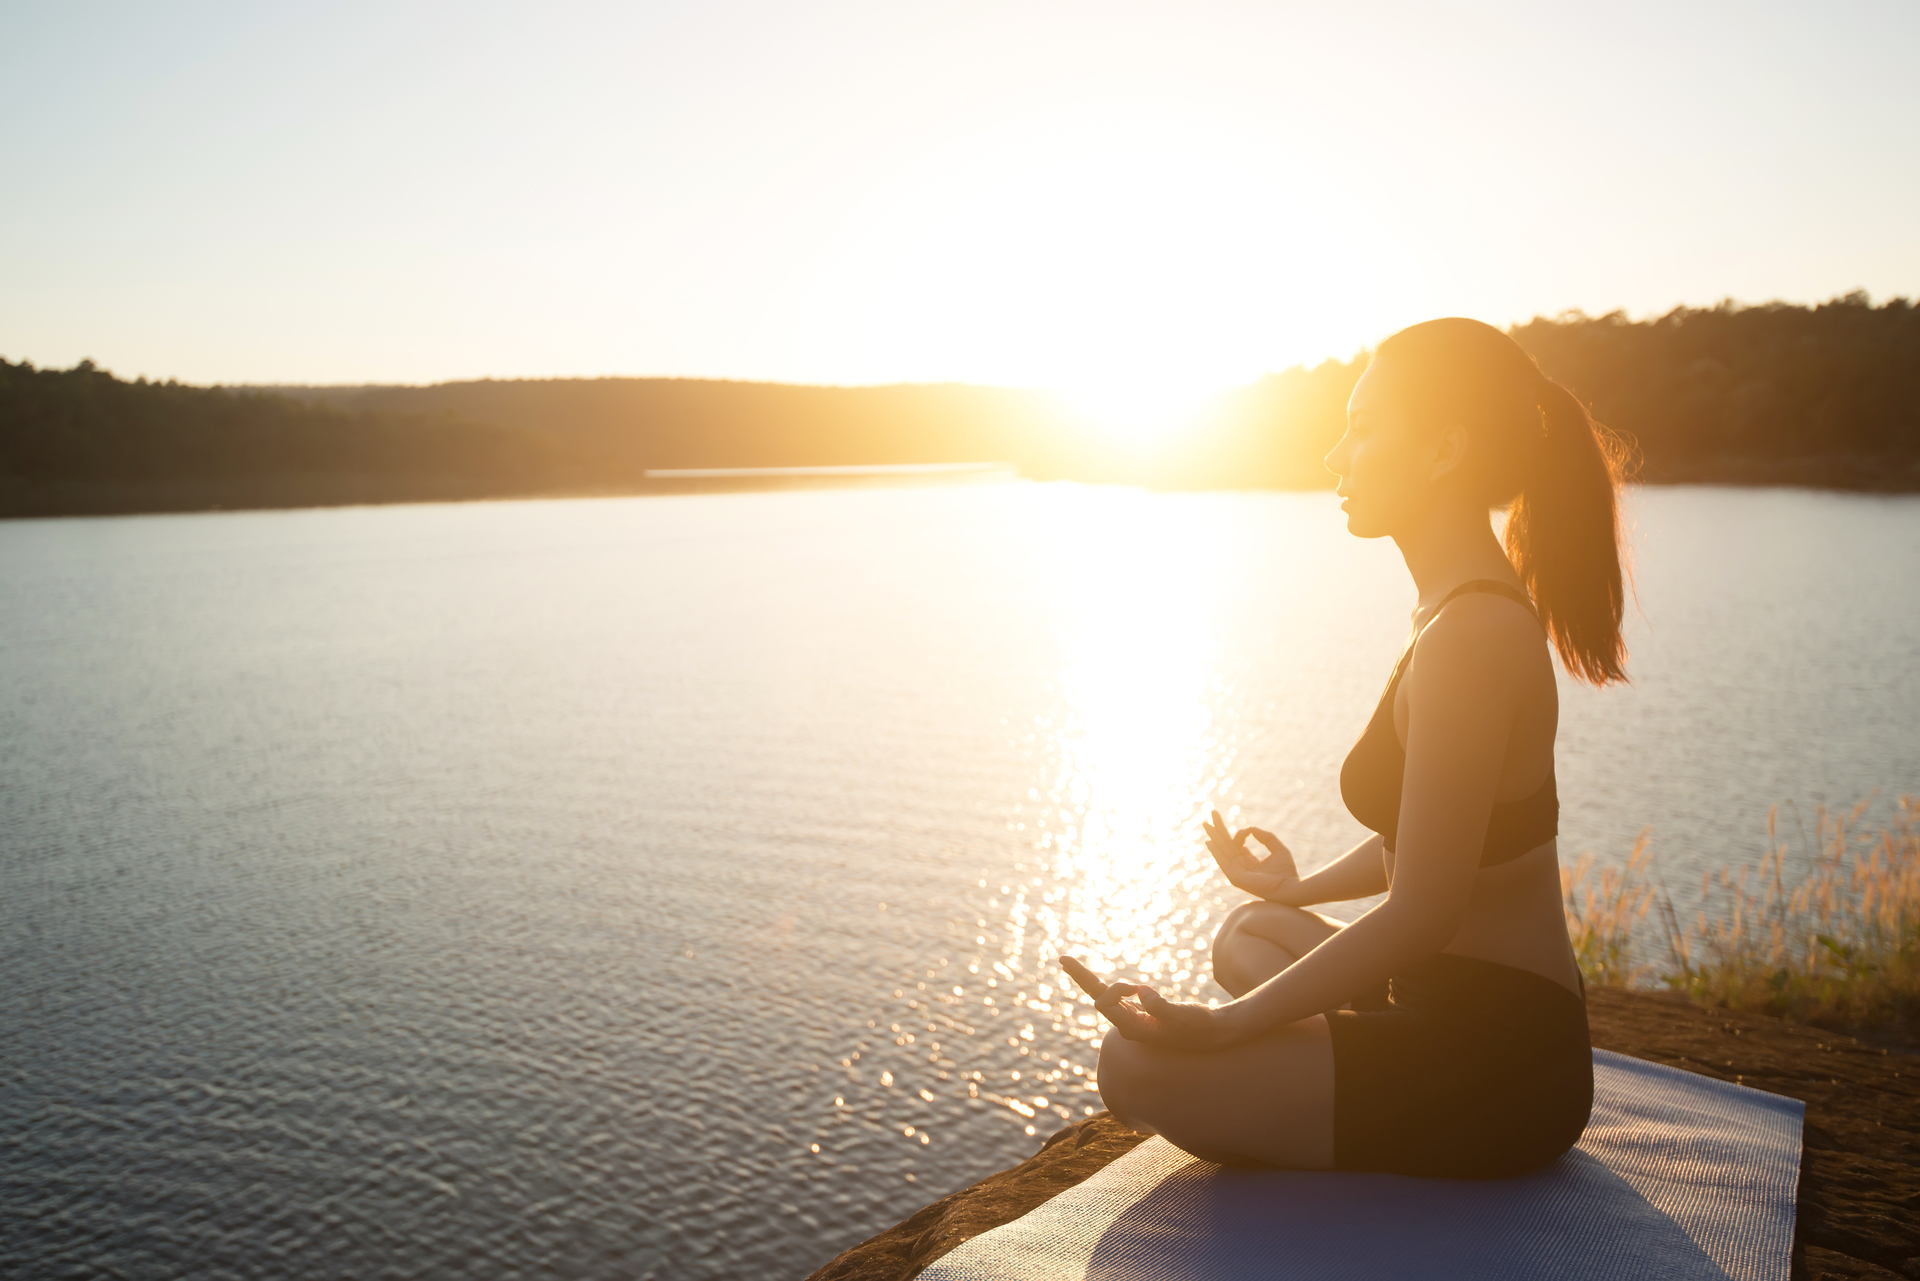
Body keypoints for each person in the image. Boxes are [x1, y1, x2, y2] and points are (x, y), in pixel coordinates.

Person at [1062, 317, 1630, 1177]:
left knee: (1131, 1066)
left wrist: (1222, 1027)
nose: (1336, 456)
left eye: (1362, 429)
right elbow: (1437, 835)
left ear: (1443, 450)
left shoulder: (1471, 636)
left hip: (1502, 1059)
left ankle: (1316, 1077)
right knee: (1251, 927)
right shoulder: (1450, 613)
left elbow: (1425, 908)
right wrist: (1299, 886)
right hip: (1430, 997)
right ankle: (1318, 1063)